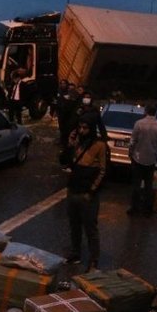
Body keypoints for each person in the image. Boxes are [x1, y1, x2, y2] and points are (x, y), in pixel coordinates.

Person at [63, 115, 108, 271]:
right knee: (74, 225)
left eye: (85, 128)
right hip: (73, 190)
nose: (82, 131)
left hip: (87, 193)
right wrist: (70, 143)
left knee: (90, 229)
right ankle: (75, 253)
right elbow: (65, 160)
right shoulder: (77, 143)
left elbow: (103, 170)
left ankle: (94, 260)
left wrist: (92, 190)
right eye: (80, 127)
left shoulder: (99, 145)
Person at [128, 104, 157, 217]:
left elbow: (133, 141)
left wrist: (130, 152)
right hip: (151, 159)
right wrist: (156, 154)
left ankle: (134, 208)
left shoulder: (139, 124)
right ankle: (147, 209)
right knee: (148, 185)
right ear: (155, 112)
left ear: (145, 111)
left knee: (136, 184)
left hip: (138, 157)